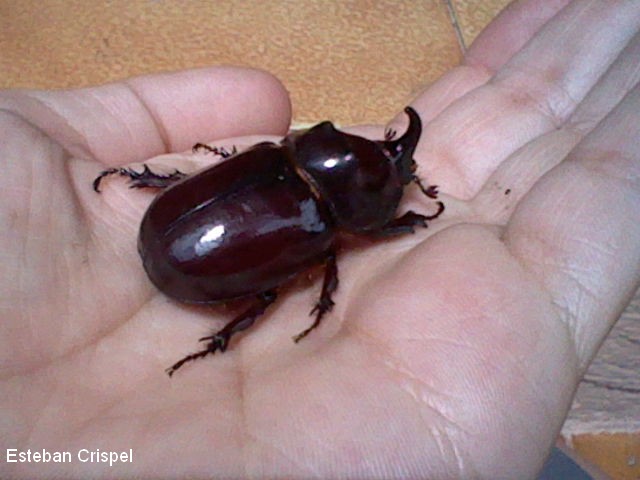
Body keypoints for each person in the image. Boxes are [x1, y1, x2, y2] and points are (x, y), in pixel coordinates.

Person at [1, 0, 638, 477]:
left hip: (170, 234)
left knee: (274, 283)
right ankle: (217, 338)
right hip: (183, 260)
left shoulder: (277, 162)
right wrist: (414, 217)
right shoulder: (322, 227)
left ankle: (208, 318)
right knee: (274, 292)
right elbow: (361, 239)